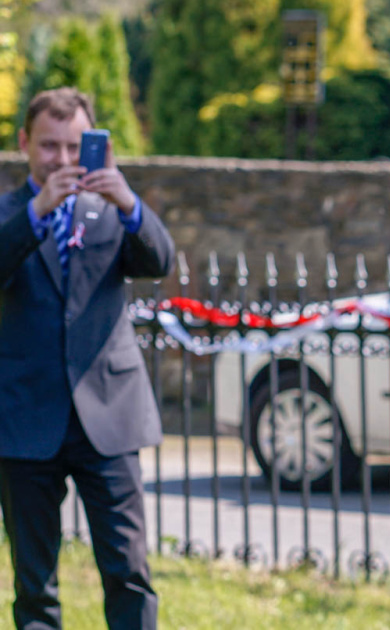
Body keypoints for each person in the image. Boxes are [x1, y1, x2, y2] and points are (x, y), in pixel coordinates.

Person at [0, 87, 174, 630]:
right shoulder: (7, 213)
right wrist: (37, 212)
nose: (63, 160)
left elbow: (160, 261)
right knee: (35, 584)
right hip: (25, 417)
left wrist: (129, 203)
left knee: (129, 572)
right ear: (25, 143)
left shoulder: (113, 208)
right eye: (49, 146)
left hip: (110, 414)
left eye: (75, 147)